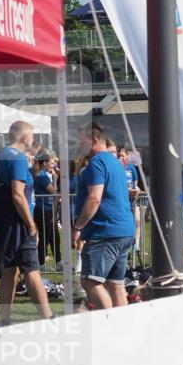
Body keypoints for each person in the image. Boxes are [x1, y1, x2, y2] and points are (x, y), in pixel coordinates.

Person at [0, 121, 53, 324]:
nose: (32, 140)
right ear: (24, 137)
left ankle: (4, 319)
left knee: (9, 270)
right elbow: (18, 194)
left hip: (2, 221)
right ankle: (48, 317)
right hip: (17, 223)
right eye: (31, 136)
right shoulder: (18, 159)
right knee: (32, 270)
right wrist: (31, 225)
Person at [72, 123, 136, 310]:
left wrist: (78, 226)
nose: (79, 145)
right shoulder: (115, 163)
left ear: (93, 141)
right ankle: (123, 327)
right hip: (123, 230)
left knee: (90, 281)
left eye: (82, 141)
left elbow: (94, 198)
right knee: (115, 284)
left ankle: (110, 325)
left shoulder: (96, 163)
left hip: (105, 231)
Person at [33, 151, 61, 270]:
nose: (53, 166)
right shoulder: (42, 176)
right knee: (45, 237)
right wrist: (55, 179)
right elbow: (53, 192)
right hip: (43, 210)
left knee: (54, 236)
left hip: (48, 209)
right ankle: (41, 263)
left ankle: (59, 262)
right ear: (44, 163)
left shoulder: (45, 175)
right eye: (51, 163)